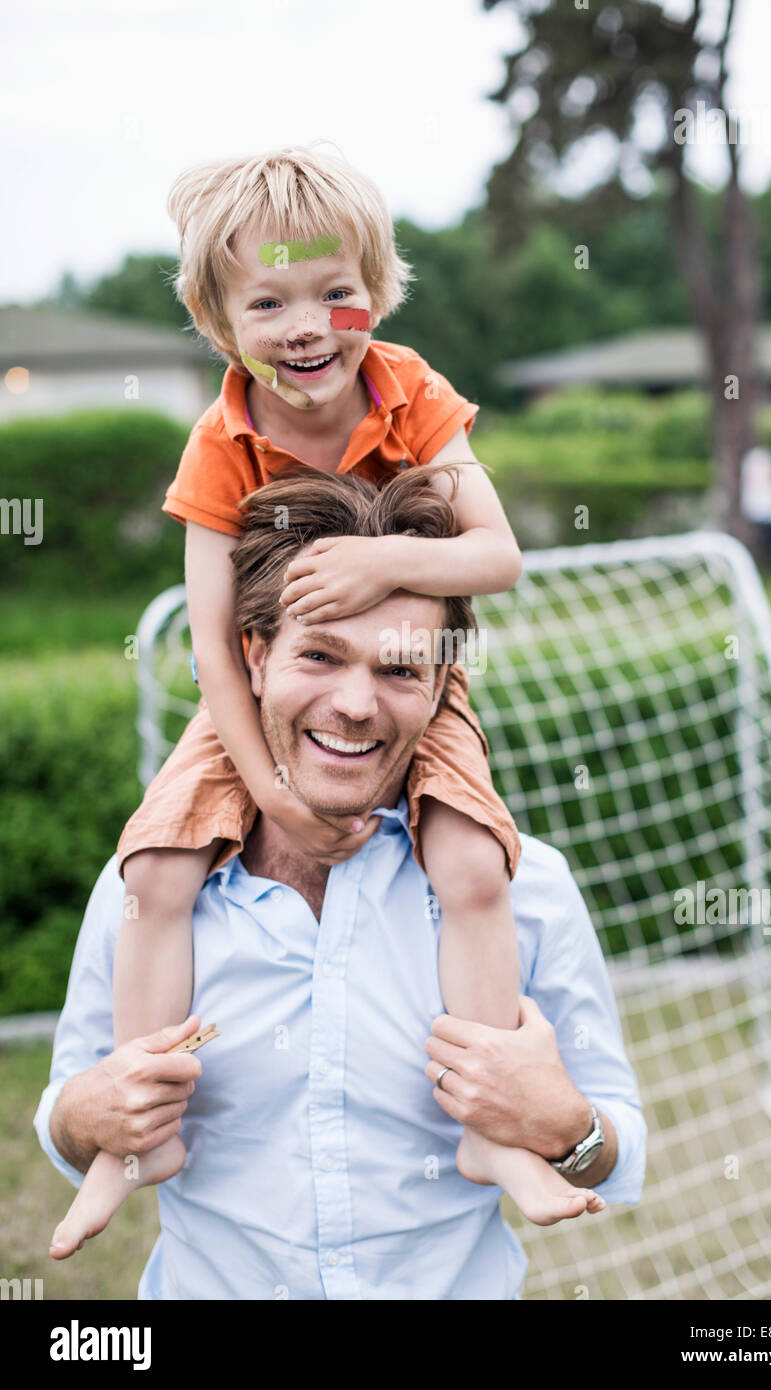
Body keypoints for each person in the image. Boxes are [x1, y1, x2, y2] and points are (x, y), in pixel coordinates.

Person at [49, 143, 589, 1255]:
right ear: (216, 317)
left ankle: (493, 1130)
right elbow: (210, 643)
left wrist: (375, 566)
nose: (307, 324)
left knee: (475, 861)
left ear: (376, 293)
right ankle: (136, 1132)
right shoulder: (220, 441)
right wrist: (266, 790)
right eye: (269, 299)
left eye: (334, 292)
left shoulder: (409, 392)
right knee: (152, 871)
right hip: (248, 702)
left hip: (413, 678)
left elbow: (494, 558)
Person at [35, 468, 646, 1300]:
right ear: (252, 658)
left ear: (440, 686)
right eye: (320, 654)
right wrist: (83, 1118)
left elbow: (619, 1150)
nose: (355, 704)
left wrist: (568, 1127)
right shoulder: (152, 885)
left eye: (399, 671)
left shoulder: (520, 885)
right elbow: (64, 1116)